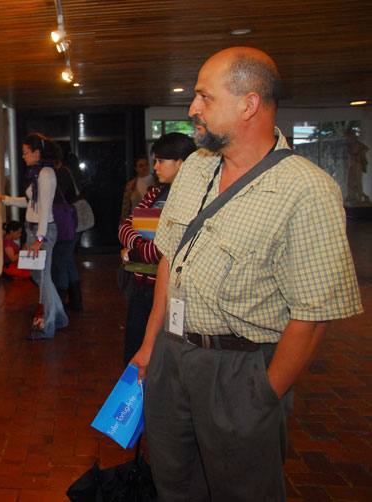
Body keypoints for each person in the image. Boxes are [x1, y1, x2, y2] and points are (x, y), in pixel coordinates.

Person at [130, 47, 362, 501]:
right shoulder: (196, 167)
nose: (192, 109)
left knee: (243, 490)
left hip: (238, 369)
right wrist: (149, 346)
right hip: (171, 358)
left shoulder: (307, 190)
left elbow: (314, 315)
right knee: (173, 484)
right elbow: (171, 261)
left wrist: (263, 396)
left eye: (204, 97)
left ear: (248, 104)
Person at [118, 132, 196, 364]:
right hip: (141, 288)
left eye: (161, 160)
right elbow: (125, 226)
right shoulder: (154, 193)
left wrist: (132, 252)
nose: (155, 167)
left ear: (181, 162)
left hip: (171, 294)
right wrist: (144, 246)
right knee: (134, 353)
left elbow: (165, 251)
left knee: (165, 358)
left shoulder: (193, 200)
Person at [0, 133, 69, 340]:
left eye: (25, 152)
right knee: (38, 275)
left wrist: (39, 240)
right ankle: (59, 317)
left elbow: (44, 210)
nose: (23, 156)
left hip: (43, 231)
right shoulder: (37, 173)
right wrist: (2, 199)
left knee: (43, 277)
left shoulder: (46, 173)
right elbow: (29, 202)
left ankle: (48, 324)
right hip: (34, 229)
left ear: (36, 152)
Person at [52, 151, 84, 310]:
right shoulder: (74, 174)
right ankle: (76, 300)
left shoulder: (63, 173)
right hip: (75, 222)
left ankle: (61, 302)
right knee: (68, 260)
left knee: (62, 262)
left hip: (66, 223)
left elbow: (58, 197)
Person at [120, 155, 156, 222]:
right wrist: (123, 223)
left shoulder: (158, 181)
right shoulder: (131, 185)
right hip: (138, 221)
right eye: (141, 166)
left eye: (146, 164)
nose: (144, 167)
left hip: (155, 220)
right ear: (136, 169)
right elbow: (125, 208)